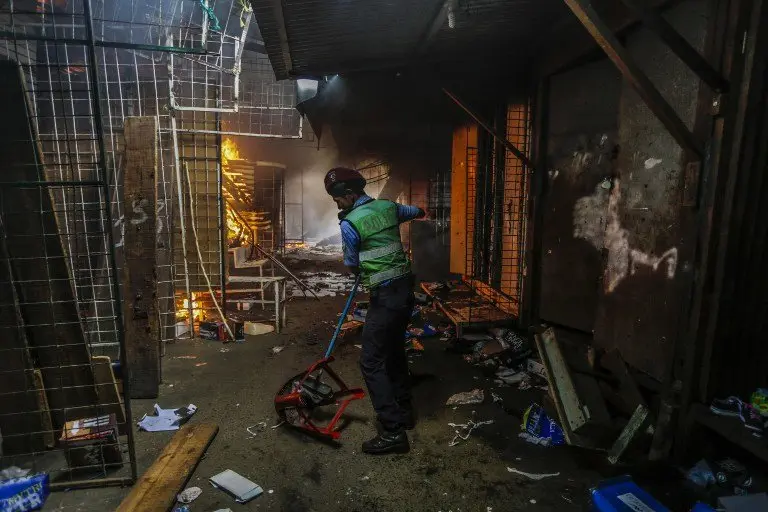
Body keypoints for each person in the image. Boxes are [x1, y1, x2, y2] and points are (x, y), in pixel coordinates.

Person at [324, 166, 426, 455]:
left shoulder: (350, 223)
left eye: (337, 198)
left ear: (349, 194)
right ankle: (404, 413)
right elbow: (415, 211)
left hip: (385, 298)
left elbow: (352, 264)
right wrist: (419, 212)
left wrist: (365, 267)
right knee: (394, 352)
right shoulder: (389, 207)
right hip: (405, 294)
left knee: (370, 361)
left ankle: (393, 431)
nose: (337, 203)